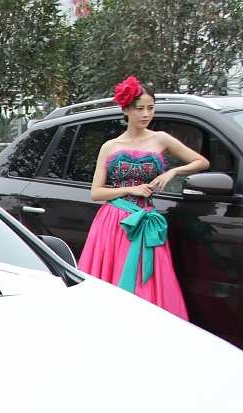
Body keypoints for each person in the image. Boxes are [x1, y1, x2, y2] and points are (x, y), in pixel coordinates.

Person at [76, 76, 208, 319]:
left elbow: (201, 162)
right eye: (139, 108)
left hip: (146, 222)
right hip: (115, 222)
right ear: (125, 110)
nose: (146, 114)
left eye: (151, 108)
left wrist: (173, 171)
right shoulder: (110, 146)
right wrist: (131, 190)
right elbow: (97, 192)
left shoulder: (160, 139)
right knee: (111, 275)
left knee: (146, 279)